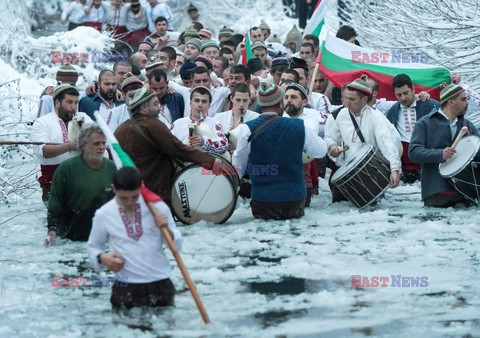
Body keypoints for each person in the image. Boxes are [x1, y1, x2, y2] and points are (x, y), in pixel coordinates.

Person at [88, 166, 181, 309]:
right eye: (123, 198)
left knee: (165, 330)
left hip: (159, 281)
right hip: (125, 285)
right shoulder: (104, 214)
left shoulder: (157, 208)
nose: (130, 202)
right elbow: (94, 246)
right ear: (114, 189)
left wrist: (166, 228)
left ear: (140, 188)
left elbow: (176, 246)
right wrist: (103, 258)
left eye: (134, 197)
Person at [232, 83, 327, 220]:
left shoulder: (247, 129)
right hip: (295, 201)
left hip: (263, 200)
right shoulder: (300, 126)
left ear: (261, 104)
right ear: (280, 103)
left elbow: (238, 169)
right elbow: (321, 151)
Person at [114, 88, 221, 205]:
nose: (159, 108)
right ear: (144, 108)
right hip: (155, 192)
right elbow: (178, 149)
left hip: (129, 194)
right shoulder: (153, 125)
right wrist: (209, 160)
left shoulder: (120, 130)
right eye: (155, 104)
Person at [325, 77, 401, 192]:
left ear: (364, 99)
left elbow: (387, 144)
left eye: (352, 99)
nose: (347, 103)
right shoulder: (342, 114)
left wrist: (394, 169)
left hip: (370, 174)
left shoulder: (376, 117)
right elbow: (331, 137)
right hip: (345, 171)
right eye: (346, 98)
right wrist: (332, 147)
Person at [409, 84, 478, 207]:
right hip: (437, 193)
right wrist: (440, 154)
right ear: (451, 102)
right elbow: (414, 152)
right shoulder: (424, 123)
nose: (467, 103)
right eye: (463, 99)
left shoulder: (467, 125)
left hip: (465, 194)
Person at [46, 125, 116, 242]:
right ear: (83, 145)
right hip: (71, 237)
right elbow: (55, 201)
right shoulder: (66, 168)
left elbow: (123, 202)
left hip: (105, 237)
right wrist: (52, 230)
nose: (102, 147)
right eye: (96, 144)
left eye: (103, 143)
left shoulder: (113, 168)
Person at [31, 85, 93, 204]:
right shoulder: (42, 122)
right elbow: (44, 152)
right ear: (57, 103)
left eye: (76, 102)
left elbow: (98, 138)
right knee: (56, 221)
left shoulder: (83, 118)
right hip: (53, 183)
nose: (73, 107)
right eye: (69, 102)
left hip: (82, 182)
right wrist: (69, 146)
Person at [386, 74, 440, 183]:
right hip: (405, 170)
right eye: (399, 95)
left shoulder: (430, 105)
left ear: (413, 89)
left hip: (428, 165)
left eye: (406, 93)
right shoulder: (392, 111)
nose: (403, 98)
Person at [283, 83, 323, 207]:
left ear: (304, 102)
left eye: (294, 97)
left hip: (304, 163)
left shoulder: (312, 115)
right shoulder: (279, 116)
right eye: (286, 97)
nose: (289, 100)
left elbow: (306, 135)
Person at [170, 86, 229, 156]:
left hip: (208, 165)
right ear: (190, 103)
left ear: (209, 105)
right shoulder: (178, 124)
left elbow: (224, 144)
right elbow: (169, 145)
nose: (200, 105)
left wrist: (204, 141)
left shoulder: (214, 123)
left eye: (204, 101)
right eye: (197, 101)